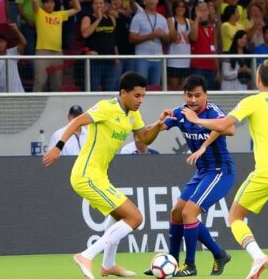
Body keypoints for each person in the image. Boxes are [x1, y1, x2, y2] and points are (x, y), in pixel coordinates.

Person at [181, 59, 268, 279]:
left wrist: (195, 119)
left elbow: (223, 125)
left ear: (258, 79)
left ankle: (257, 256)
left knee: (235, 218)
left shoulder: (253, 101)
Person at [42, 72, 172, 279]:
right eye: (137, 96)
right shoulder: (106, 107)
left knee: (120, 215)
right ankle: (86, 255)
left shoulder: (133, 115)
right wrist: (58, 147)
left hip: (100, 176)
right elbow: (76, 123)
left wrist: (158, 125)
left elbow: (145, 139)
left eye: (143, 96)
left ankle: (108, 265)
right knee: (135, 218)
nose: (140, 100)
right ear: (123, 93)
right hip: (85, 175)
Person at [143, 75, 234, 276]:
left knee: (188, 213)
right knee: (177, 212)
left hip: (221, 171)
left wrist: (198, 124)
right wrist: (158, 124)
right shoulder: (180, 113)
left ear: (206, 95)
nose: (193, 100)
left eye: (198, 96)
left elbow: (230, 129)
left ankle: (190, 265)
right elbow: (146, 138)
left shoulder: (213, 111)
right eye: (189, 95)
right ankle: (173, 262)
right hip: (203, 172)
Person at [32, 0, 81, 92]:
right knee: (40, 82)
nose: (49, 4)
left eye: (51, 2)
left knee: (57, 85)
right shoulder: (39, 13)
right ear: (43, 4)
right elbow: (34, 0)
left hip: (57, 53)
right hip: (42, 52)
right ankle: (33, 109)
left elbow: (78, 9)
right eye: (47, 2)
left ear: (55, 4)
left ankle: (55, 109)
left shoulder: (59, 14)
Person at [129, 0, 170, 86]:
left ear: (157, 1)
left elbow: (167, 40)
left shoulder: (162, 19)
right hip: (142, 58)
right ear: (144, 1)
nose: (152, 1)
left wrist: (162, 35)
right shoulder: (138, 17)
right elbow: (132, 38)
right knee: (140, 87)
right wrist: (150, 36)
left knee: (155, 88)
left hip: (158, 59)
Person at [81, 0, 120, 92]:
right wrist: (98, 19)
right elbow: (85, 34)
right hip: (95, 62)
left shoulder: (111, 18)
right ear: (92, 6)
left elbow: (113, 39)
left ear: (105, 5)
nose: (99, 6)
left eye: (101, 3)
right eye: (96, 3)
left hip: (110, 61)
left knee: (110, 90)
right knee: (93, 89)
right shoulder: (87, 18)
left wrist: (117, 57)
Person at [0, 23, 27, 93]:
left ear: (6, 43)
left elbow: (24, 43)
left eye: (2, 41)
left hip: (18, 93)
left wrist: (16, 30)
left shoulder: (13, 52)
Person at [167, 0, 192, 90]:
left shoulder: (190, 22)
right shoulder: (171, 20)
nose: (180, 8)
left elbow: (194, 38)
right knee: (174, 89)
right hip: (173, 61)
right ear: (174, 8)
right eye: (178, 6)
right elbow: (172, 37)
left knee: (184, 89)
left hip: (186, 60)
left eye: (182, 6)